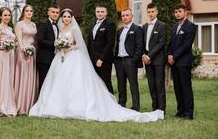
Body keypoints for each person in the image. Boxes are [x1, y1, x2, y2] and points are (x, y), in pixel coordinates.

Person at [29, 8, 163, 122]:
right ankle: (56, 106)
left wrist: (68, 47)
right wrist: (60, 47)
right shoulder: (60, 28)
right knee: (59, 81)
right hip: (60, 58)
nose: (66, 18)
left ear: (72, 17)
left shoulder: (75, 28)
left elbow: (78, 44)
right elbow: (57, 42)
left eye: (68, 16)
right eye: (64, 16)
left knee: (76, 82)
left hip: (74, 57)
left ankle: (133, 106)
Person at [168, 4, 196, 120]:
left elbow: (186, 45)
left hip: (184, 62)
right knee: (177, 88)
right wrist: (169, 54)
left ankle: (188, 113)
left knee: (186, 87)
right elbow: (171, 43)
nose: (177, 13)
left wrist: (174, 55)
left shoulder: (191, 26)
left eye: (179, 11)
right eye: (175, 12)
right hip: (174, 62)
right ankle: (180, 111)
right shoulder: (174, 27)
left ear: (185, 12)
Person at [114, 8, 143, 111]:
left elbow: (140, 46)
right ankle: (122, 105)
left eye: (127, 15)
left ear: (132, 16)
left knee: (133, 84)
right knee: (121, 84)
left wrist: (134, 60)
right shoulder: (119, 31)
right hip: (119, 61)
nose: (125, 17)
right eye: (123, 16)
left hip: (130, 60)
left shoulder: (137, 29)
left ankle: (135, 106)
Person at [142, 3, 166, 113]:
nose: (151, 14)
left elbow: (161, 43)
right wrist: (143, 55)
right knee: (151, 84)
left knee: (159, 84)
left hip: (157, 60)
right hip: (147, 60)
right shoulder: (145, 27)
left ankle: (161, 109)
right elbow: (142, 43)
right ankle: (154, 107)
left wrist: (149, 56)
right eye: (149, 12)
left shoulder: (162, 25)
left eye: (153, 11)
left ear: (157, 12)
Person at [14, 4, 38, 115]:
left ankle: (29, 105)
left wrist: (32, 50)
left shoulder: (33, 24)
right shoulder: (19, 24)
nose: (29, 12)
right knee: (22, 76)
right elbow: (19, 39)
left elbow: (34, 39)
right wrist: (24, 50)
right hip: (22, 51)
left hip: (32, 52)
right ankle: (20, 105)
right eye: (27, 11)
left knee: (30, 76)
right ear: (23, 12)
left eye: (31, 11)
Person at [0, 7, 18, 116]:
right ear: (0, 16)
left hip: (10, 55)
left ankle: (9, 104)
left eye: (9, 15)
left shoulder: (10, 28)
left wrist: (13, 46)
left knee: (8, 79)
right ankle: (2, 106)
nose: (7, 17)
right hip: (2, 55)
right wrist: (4, 47)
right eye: (5, 15)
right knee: (2, 79)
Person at [87, 5, 116, 94]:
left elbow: (110, 43)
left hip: (104, 59)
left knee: (105, 81)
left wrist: (101, 59)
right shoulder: (92, 25)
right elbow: (90, 43)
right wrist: (88, 58)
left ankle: (111, 103)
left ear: (106, 13)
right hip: (93, 59)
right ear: (95, 13)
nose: (100, 13)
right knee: (95, 82)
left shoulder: (110, 25)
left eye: (102, 12)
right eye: (98, 11)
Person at [36, 5, 60, 93]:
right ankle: (41, 103)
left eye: (57, 12)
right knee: (43, 82)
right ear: (48, 13)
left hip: (53, 59)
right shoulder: (43, 24)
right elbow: (39, 40)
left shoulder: (57, 26)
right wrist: (55, 44)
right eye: (53, 12)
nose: (55, 14)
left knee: (51, 83)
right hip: (44, 59)